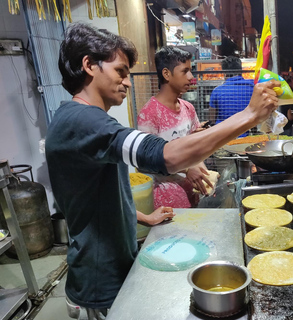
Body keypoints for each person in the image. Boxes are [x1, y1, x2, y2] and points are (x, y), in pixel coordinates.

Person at [45, 23, 279, 318]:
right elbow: (163, 156)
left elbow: (92, 198)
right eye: (120, 71)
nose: (127, 82)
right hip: (99, 274)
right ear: (89, 65)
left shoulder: (81, 121)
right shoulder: (83, 121)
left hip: (113, 261)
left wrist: (141, 216)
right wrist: (249, 115)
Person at [137, 46, 211, 209]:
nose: (191, 77)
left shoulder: (188, 108)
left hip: (192, 194)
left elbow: (194, 152)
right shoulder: (149, 114)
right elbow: (144, 162)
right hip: (166, 201)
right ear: (166, 74)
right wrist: (187, 169)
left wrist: (206, 177)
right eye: (185, 71)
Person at [209, 56, 255, 136]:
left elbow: (212, 119)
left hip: (222, 136)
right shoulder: (253, 87)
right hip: (246, 135)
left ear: (225, 73)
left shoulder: (217, 91)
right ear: (241, 70)